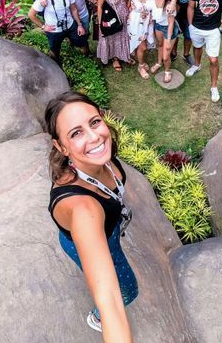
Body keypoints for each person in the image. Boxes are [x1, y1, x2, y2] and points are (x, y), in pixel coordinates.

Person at [46, 91, 138, 339]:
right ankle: (96, 319)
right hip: (84, 239)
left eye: (95, 122)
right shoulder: (84, 210)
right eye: (76, 133)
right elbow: (111, 301)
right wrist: (108, 315)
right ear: (61, 147)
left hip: (108, 230)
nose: (95, 136)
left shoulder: (98, 157)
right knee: (127, 290)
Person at [29, 0, 88, 65]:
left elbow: (73, 9)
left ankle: (87, 60)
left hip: (70, 25)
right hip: (54, 30)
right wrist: (43, 26)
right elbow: (31, 15)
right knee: (55, 51)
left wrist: (79, 25)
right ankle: (56, 65)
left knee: (83, 43)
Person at [97, 0, 132, 71]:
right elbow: (100, 6)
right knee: (112, 38)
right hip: (111, 17)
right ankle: (114, 58)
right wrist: (100, 24)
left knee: (123, 36)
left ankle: (125, 54)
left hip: (125, 17)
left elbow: (128, 0)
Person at [149, 0, 179, 83]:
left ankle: (167, 71)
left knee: (166, 55)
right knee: (160, 46)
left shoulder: (170, 3)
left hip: (169, 29)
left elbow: (171, 23)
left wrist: (169, 39)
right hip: (158, 26)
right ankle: (158, 63)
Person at [127, 0, 154, 80]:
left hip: (150, 21)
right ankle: (141, 66)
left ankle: (139, 58)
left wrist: (172, 1)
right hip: (135, 21)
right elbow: (128, 3)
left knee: (146, 44)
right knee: (142, 46)